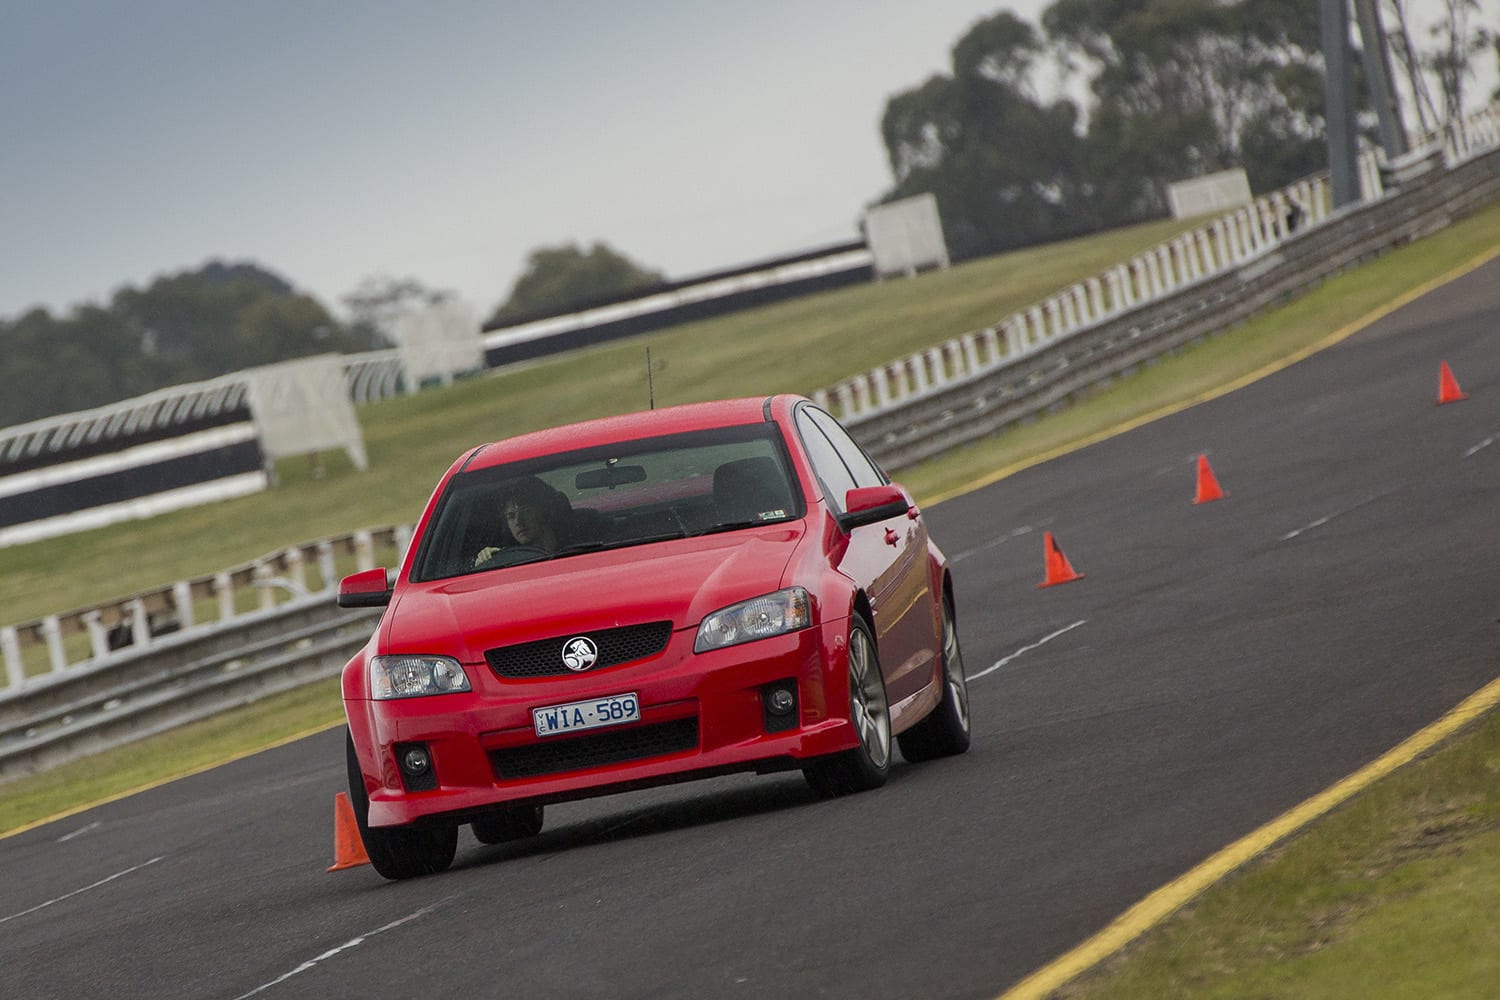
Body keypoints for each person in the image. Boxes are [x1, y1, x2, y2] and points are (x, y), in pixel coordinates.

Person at [474, 476, 570, 566]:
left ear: (542, 511)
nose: (518, 521)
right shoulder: (508, 557)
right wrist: (488, 559)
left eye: (525, 512)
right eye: (511, 516)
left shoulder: (576, 546)